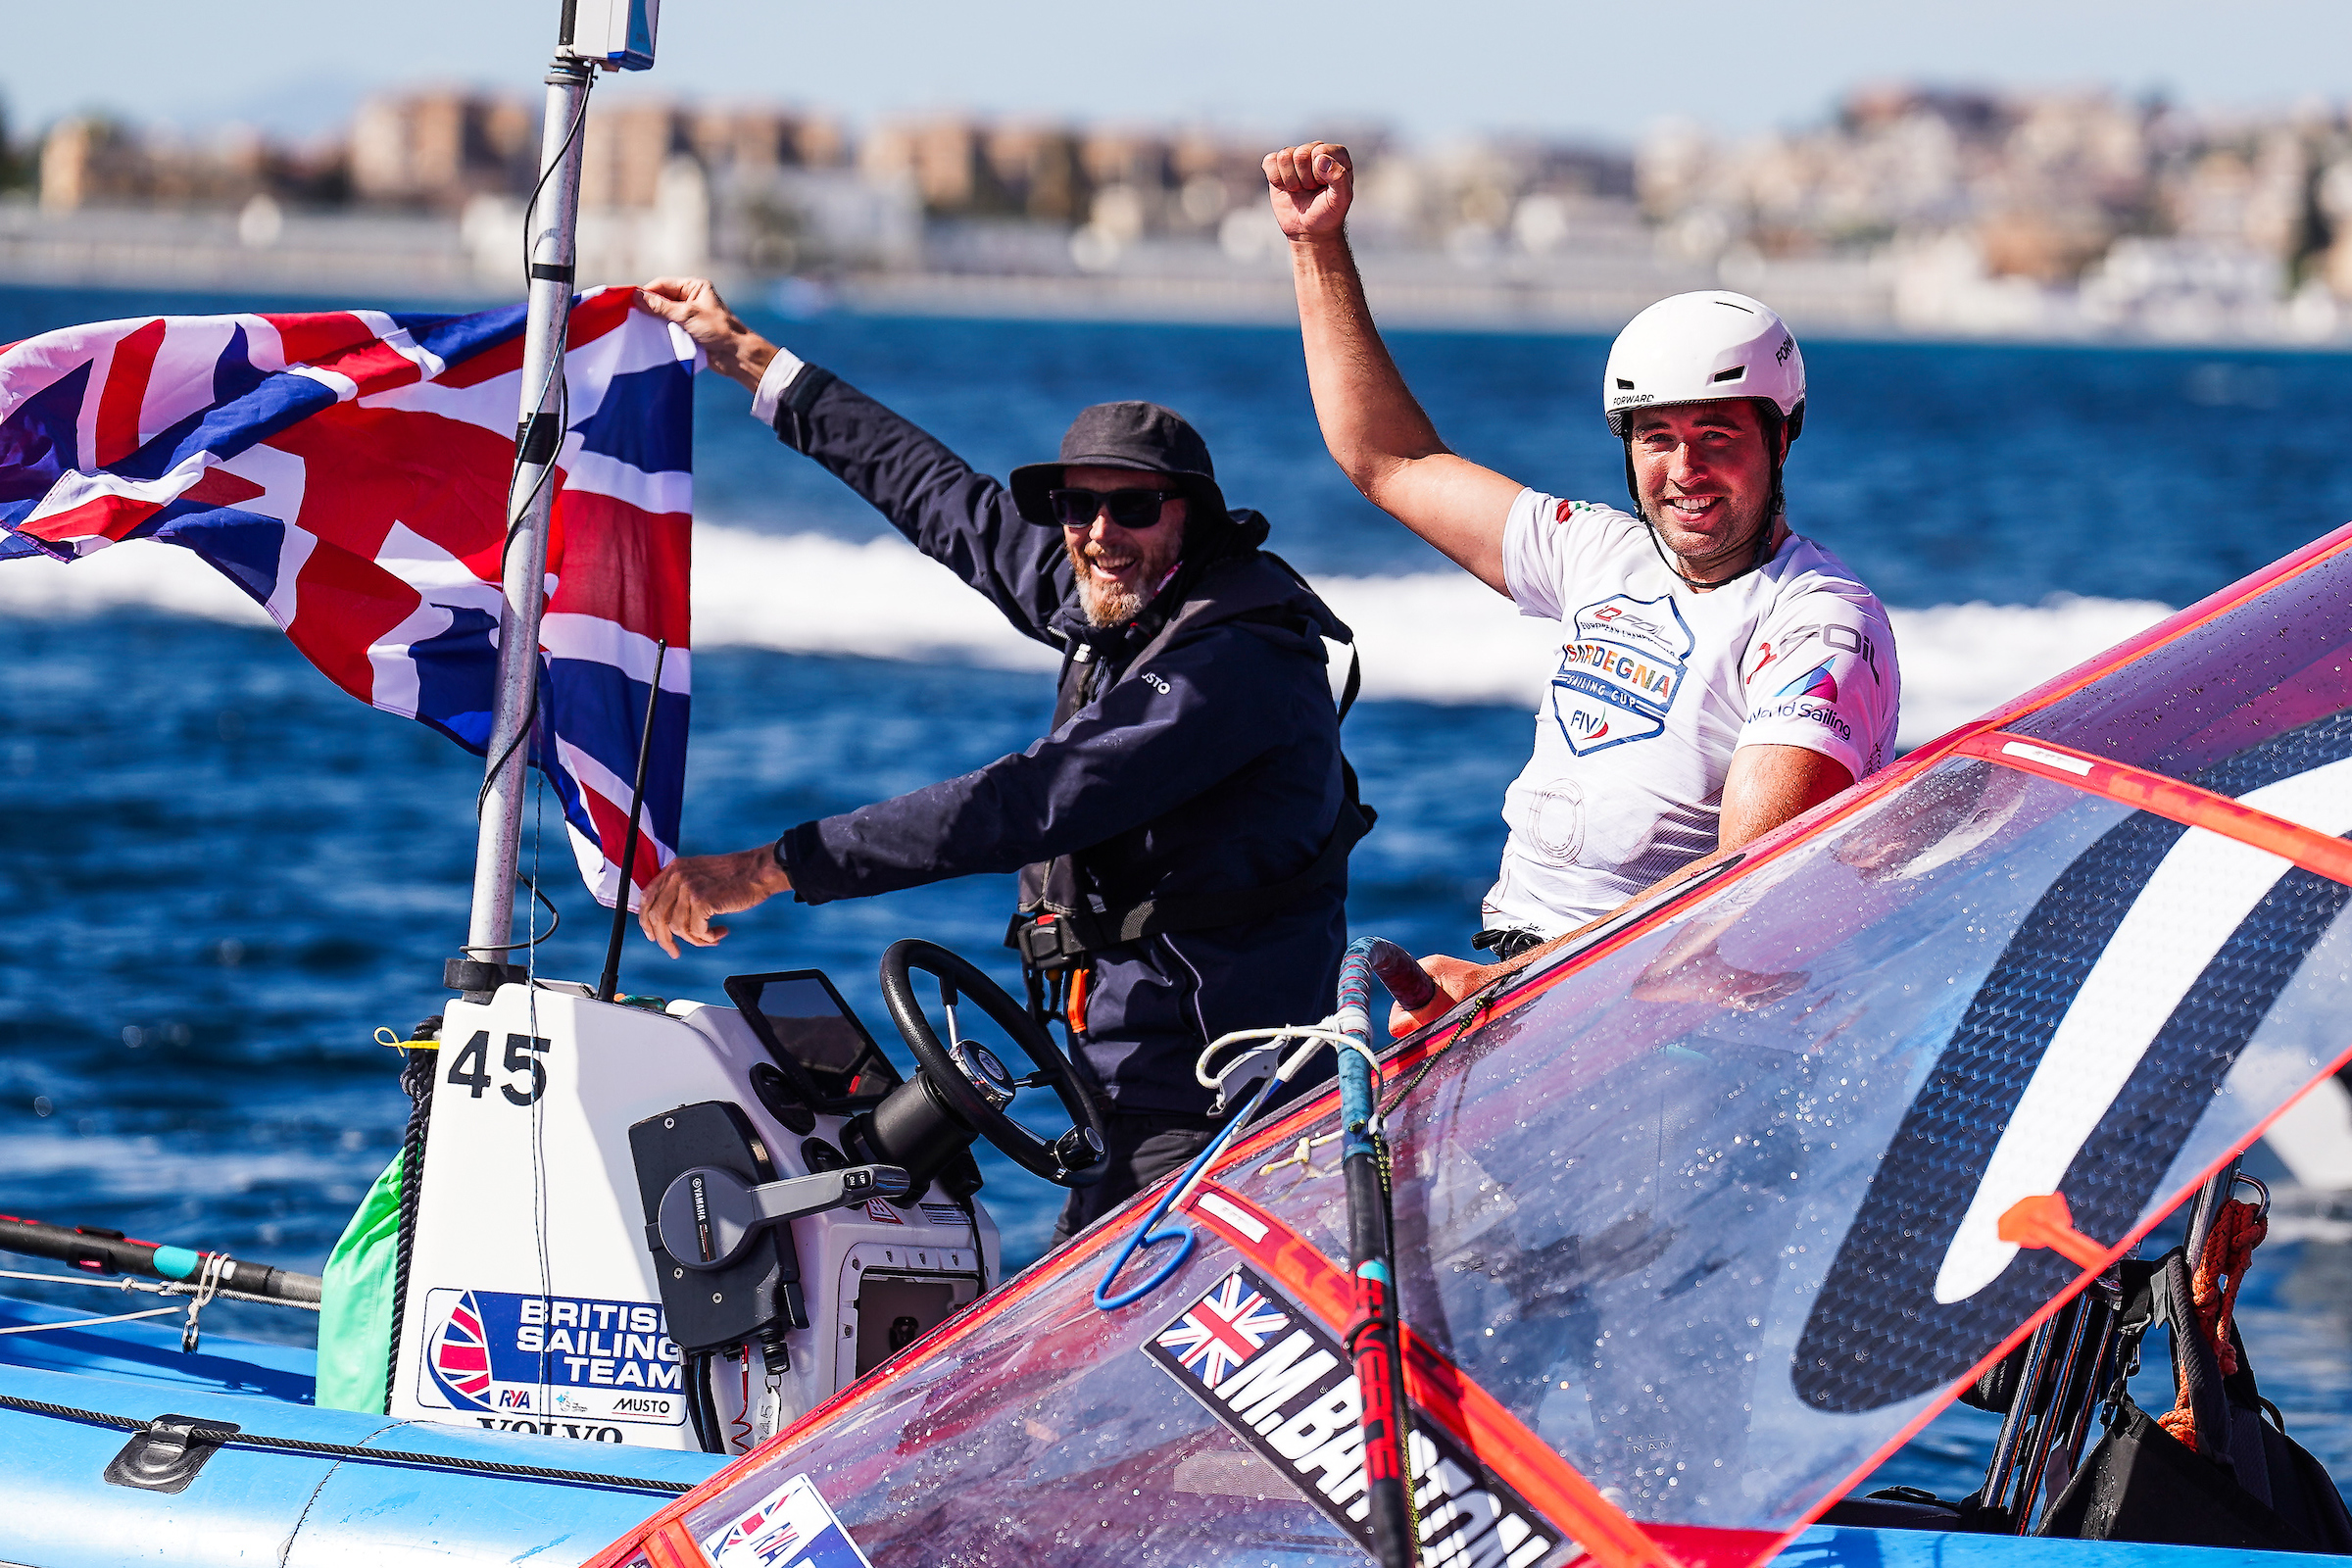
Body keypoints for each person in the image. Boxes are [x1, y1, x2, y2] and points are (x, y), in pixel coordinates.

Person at [629, 277, 1367, 1243]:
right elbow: (943, 501)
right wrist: (756, 362)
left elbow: (1029, 801)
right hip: (1120, 1090)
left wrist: (771, 866)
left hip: (1216, 1102)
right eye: (1078, 505)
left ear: (1191, 518)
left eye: (1134, 507)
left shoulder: (1231, 665)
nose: (1100, 534)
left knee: (1070, 1360)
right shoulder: (1117, 594)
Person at [1262, 142, 1900, 1029]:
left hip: (1672, 1027)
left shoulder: (1820, 623)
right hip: (1531, 994)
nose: (1686, 470)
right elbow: (1388, 457)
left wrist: (1505, 992)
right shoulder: (1600, 555)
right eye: (1657, 439)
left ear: (1781, 439)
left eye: (1718, 436)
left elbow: (1744, 899)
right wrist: (1315, 247)